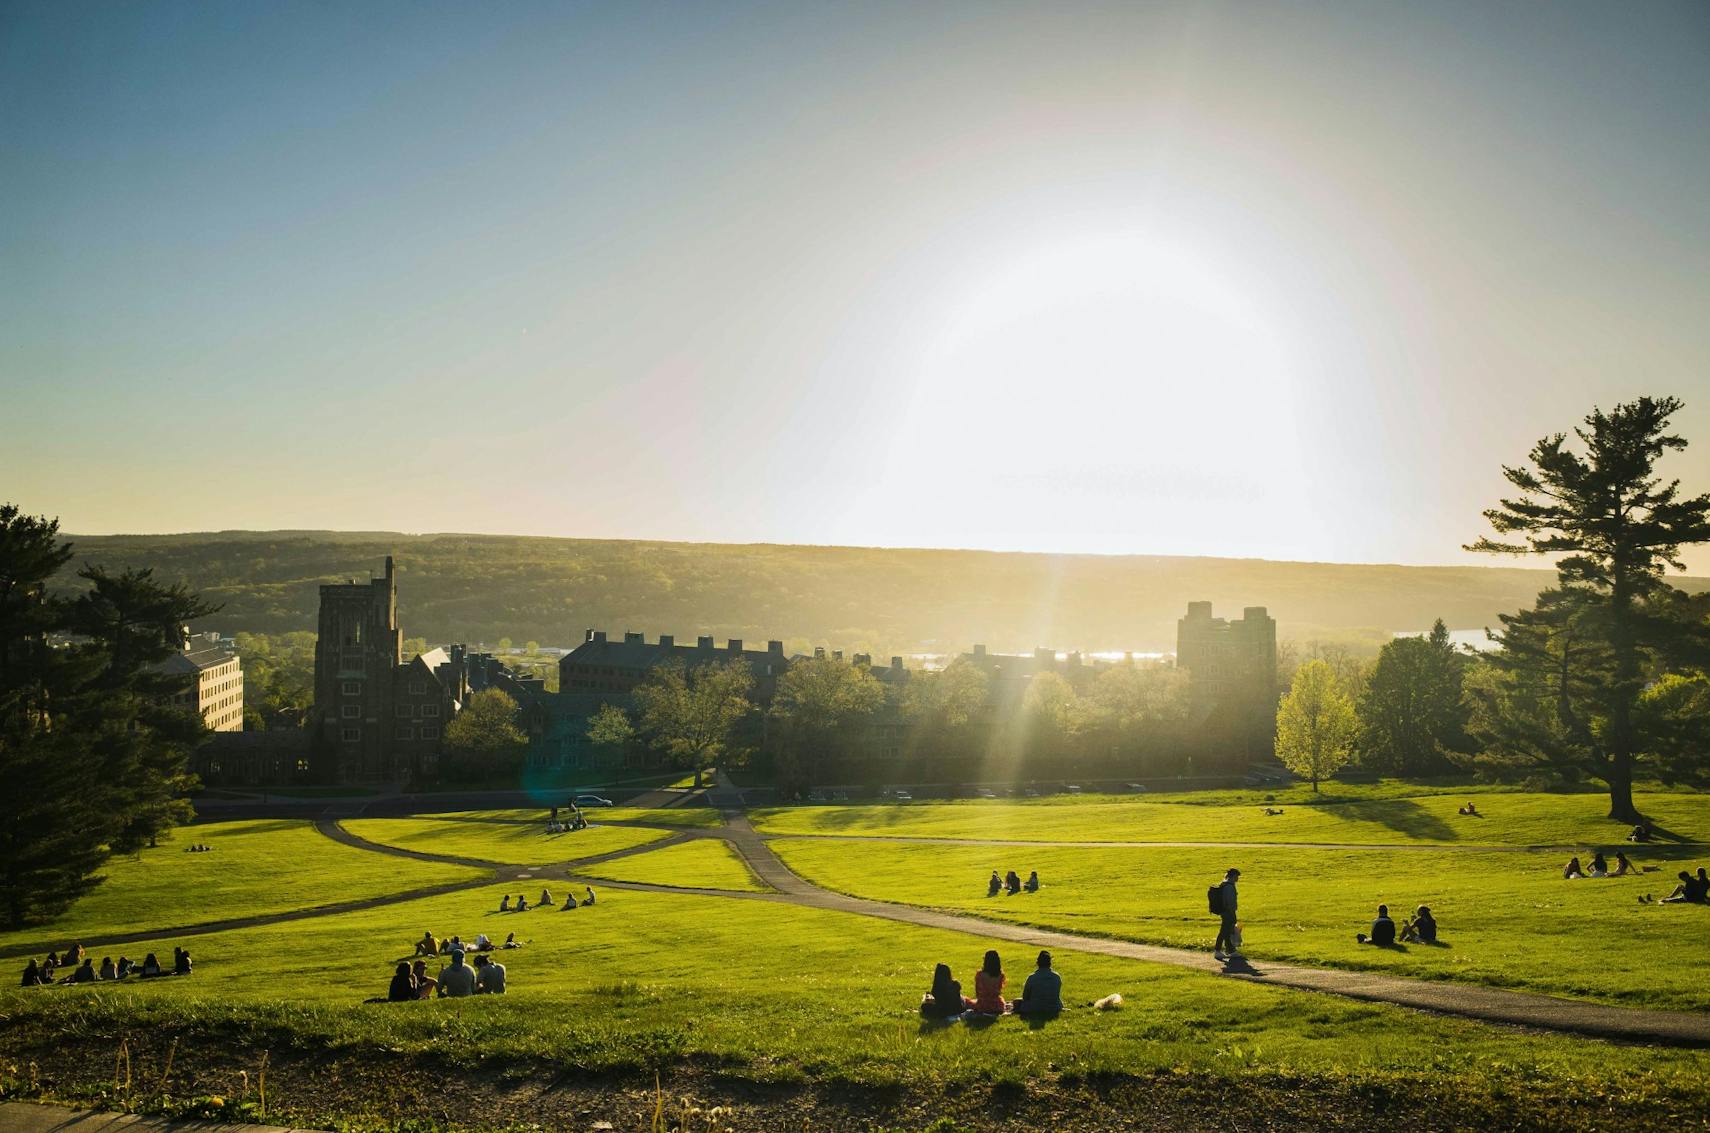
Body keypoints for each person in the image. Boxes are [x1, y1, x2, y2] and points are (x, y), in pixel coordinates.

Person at [1014, 950, 1063, 1018]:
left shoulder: (1032, 977)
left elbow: (1025, 997)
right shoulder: (1057, 977)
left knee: (1016, 1002)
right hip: (1054, 1007)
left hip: (1034, 1007)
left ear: (1038, 962)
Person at [1213, 868, 1242, 961]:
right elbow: (1229, 902)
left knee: (1227, 931)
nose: (1238, 878)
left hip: (1226, 912)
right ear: (1233, 876)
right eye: (1237, 876)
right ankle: (1217, 950)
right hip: (1228, 912)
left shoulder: (1225, 885)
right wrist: (1232, 913)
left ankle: (1230, 950)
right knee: (1224, 931)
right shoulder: (1229, 887)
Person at [973, 950, 1007, 1014]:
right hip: (997, 1005)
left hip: (982, 1006)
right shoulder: (1000, 975)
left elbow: (977, 993)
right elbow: (999, 991)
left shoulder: (980, 974)